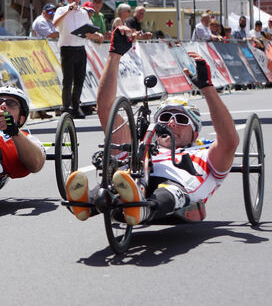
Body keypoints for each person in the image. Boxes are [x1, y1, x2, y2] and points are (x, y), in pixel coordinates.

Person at [65, 26, 239, 225]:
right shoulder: (139, 145)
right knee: (118, 179)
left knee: (168, 190)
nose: (171, 122)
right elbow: (106, 109)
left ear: (194, 133)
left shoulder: (204, 153)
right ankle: (85, 203)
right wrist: (114, 55)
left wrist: (207, 88)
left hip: (175, 187)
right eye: (165, 117)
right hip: (134, 177)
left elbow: (230, 142)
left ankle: (141, 209)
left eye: (181, 120)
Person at [53, 0, 103, 119]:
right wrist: (68, 10)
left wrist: (95, 34)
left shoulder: (83, 13)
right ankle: (65, 107)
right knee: (68, 80)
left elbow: (90, 30)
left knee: (79, 80)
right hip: (67, 48)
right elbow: (55, 24)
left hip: (80, 48)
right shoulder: (61, 10)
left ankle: (75, 107)